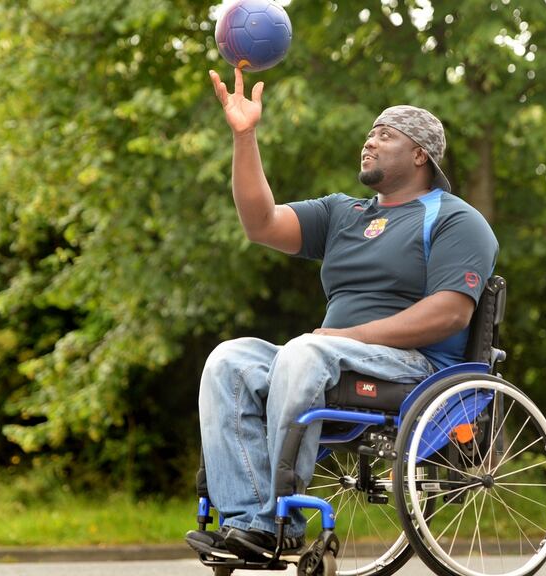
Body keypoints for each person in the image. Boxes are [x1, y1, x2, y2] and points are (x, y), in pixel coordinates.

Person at [186, 67, 499, 561]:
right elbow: (261, 223)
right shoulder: (342, 213)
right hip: (330, 356)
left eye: (385, 135)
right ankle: (247, 522)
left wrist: (348, 336)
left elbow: (449, 314)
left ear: (420, 155)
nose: (369, 142)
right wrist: (244, 137)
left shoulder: (456, 218)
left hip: (413, 368)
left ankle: (276, 521)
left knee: (307, 349)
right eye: (369, 133)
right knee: (230, 359)